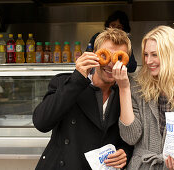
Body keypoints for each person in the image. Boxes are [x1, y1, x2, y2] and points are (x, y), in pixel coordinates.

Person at [113, 25, 174, 169]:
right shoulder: (136, 86)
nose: (148, 61)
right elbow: (131, 137)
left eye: (155, 55)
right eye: (146, 55)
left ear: (172, 55)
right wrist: (124, 88)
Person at [33, 28, 133, 170]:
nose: (111, 64)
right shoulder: (65, 83)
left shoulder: (125, 92)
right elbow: (41, 123)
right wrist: (77, 79)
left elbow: (131, 137)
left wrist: (125, 152)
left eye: (118, 58)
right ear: (94, 56)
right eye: (107, 56)